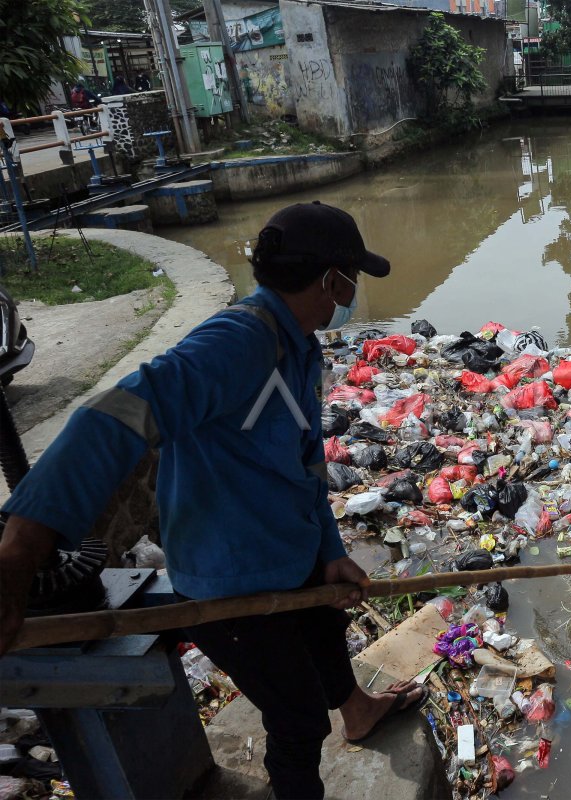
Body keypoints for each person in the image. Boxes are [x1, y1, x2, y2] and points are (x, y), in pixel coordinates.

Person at [0, 201, 425, 800]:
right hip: (231, 582)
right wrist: (21, 547)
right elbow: (113, 417)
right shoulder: (237, 342)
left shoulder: (298, 346)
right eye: (350, 279)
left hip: (290, 548)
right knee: (298, 717)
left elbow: (305, 463)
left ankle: (358, 711)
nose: (350, 294)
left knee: (328, 629)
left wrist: (329, 549)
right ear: (331, 281)